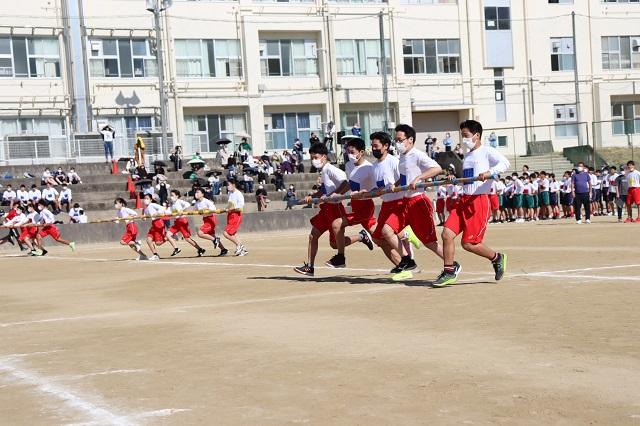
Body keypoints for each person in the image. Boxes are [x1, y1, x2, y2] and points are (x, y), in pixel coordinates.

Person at [433, 119, 510, 287]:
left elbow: (505, 163)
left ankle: (497, 258)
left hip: (479, 201)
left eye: (466, 135)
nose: (463, 139)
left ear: (476, 135)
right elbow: (467, 181)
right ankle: (448, 271)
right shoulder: (467, 156)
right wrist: (456, 180)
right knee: (446, 234)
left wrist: (490, 172)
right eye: (462, 135)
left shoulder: (487, 151)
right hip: (463, 201)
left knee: (469, 244)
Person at [392, 124, 444, 280]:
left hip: (418, 201)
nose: (398, 143)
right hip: (404, 201)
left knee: (429, 242)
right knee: (390, 231)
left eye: (400, 140)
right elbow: (403, 177)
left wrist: (419, 178)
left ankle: (451, 264)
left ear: (410, 140)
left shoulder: (417, 154)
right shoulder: (401, 157)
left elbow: (437, 168)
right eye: (396, 140)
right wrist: (394, 185)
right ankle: (408, 261)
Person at [294, 142, 349, 276]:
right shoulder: (324, 171)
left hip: (335, 208)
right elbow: (324, 190)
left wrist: (335, 195)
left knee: (335, 244)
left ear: (324, 156)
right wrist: (311, 196)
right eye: (312, 158)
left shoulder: (330, 168)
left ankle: (361, 236)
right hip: (326, 209)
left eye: (316, 157)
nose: (314, 160)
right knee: (313, 235)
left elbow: (346, 182)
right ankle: (310, 267)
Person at [325, 137, 376, 268]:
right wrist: (338, 194)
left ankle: (340, 258)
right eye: (348, 151)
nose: (349, 154)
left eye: (352, 151)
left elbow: (377, 188)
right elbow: (349, 183)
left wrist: (365, 192)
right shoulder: (348, 165)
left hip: (365, 206)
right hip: (355, 205)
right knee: (380, 239)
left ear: (361, 152)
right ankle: (404, 237)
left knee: (337, 224)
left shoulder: (370, 168)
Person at [370, 132, 415, 272]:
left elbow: (403, 179)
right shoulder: (374, 166)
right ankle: (401, 260)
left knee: (387, 231)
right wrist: (369, 192)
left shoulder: (394, 161)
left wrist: (393, 186)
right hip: (386, 204)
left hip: (398, 203)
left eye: (376, 146)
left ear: (386, 146)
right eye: (372, 146)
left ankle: (407, 261)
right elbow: (378, 187)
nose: (373, 149)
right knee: (377, 238)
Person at [167, 189, 206, 256]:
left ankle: (200, 249)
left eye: (172, 195)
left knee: (187, 238)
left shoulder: (179, 201)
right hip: (176, 222)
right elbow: (169, 211)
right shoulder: (172, 204)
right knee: (168, 234)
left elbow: (187, 204)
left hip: (182, 221)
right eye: (170, 195)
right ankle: (176, 249)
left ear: (177, 196)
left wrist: (182, 210)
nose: (171, 197)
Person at [142, 193, 180, 260]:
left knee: (158, 243)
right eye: (144, 198)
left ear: (151, 199)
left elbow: (162, 208)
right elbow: (145, 217)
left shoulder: (152, 204)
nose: (145, 200)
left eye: (147, 198)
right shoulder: (145, 209)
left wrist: (157, 213)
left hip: (159, 223)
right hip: (153, 225)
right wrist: (143, 218)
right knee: (148, 240)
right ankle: (155, 254)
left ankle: (167, 236)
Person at [219, 178, 248, 256]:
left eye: (228, 185)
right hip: (230, 215)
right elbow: (230, 205)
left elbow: (240, 206)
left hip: (236, 215)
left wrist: (230, 209)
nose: (227, 186)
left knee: (226, 233)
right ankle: (243, 250)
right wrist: (225, 209)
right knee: (233, 233)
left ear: (233, 185)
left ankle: (239, 246)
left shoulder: (238, 194)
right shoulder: (231, 194)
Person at [193, 188, 224, 256]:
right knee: (212, 236)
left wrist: (206, 209)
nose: (196, 194)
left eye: (198, 192)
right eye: (196, 192)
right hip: (205, 219)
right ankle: (223, 250)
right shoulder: (197, 203)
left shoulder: (207, 201)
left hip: (211, 219)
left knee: (200, 233)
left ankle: (215, 239)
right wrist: (199, 212)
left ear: (202, 194)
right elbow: (195, 211)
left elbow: (214, 209)